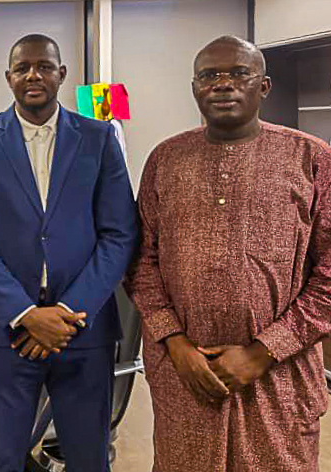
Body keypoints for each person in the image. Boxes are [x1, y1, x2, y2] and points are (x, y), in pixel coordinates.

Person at [127, 35, 331, 471]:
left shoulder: (311, 159)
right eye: (209, 76)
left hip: (279, 377)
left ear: (264, 86)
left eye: (239, 73)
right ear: (194, 88)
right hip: (186, 375)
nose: (223, 84)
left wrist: (263, 352)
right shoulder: (166, 159)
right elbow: (142, 263)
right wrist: (175, 343)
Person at [0, 34, 138, 472]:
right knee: (1, 459)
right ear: (8, 77)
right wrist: (25, 313)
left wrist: (68, 312)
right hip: (8, 332)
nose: (33, 75)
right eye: (22, 68)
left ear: (61, 74)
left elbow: (119, 234)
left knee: (89, 459)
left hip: (83, 331)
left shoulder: (99, 137)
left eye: (44, 66)